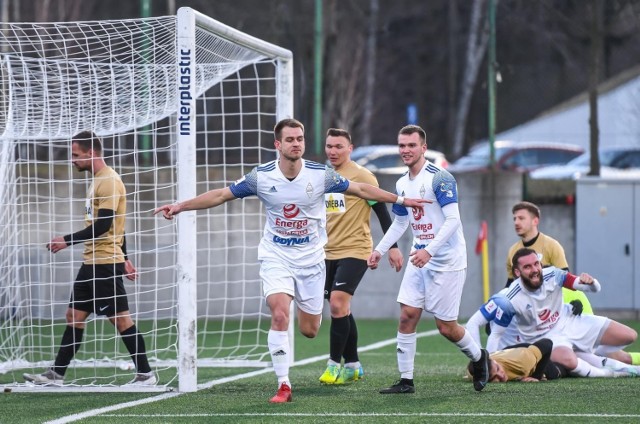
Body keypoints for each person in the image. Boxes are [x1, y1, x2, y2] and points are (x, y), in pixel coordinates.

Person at [154, 118, 427, 403]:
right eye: (290, 139)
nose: (296, 143)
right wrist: (180, 206)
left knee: (309, 330)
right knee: (280, 313)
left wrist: (402, 200)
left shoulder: (320, 175)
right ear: (278, 145)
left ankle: (331, 344)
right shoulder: (261, 177)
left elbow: (361, 190)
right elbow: (222, 195)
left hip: (311, 260)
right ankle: (284, 385)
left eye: (300, 139)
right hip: (276, 256)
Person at [23, 131, 155, 386]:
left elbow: (105, 225)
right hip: (93, 262)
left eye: (75, 154)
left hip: (104, 263)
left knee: (121, 320)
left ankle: (145, 374)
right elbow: (118, 226)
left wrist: (66, 240)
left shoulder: (109, 180)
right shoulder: (97, 180)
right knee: (74, 316)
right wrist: (125, 257)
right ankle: (56, 374)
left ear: (91, 153)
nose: (72, 160)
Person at [367, 125, 490, 394]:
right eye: (402, 145)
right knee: (407, 315)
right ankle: (406, 381)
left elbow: (453, 221)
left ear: (423, 148)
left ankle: (480, 359)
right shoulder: (401, 183)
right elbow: (400, 223)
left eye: (411, 145)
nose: (405, 150)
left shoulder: (440, 178)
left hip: (445, 261)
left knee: (446, 328)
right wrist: (380, 249)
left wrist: (429, 251)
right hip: (418, 257)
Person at [506, 201, 640, 366]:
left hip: (569, 306)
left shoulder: (551, 246)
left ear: (535, 221)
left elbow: (565, 280)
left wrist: (573, 303)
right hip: (544, 321)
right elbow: (511, 286)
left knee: (608, 354)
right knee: (584, 359)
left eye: (521, 218)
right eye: (514, 219)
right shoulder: (513, 251)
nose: (516, 222)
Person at [320, 128, 404, 385]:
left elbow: (381, 210)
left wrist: (392, 246)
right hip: (326, 252)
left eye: (338, 146)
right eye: (329, 146)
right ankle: (354, 364)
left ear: (350, 148)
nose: (333, 151)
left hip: (356, 250)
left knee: (336, 303)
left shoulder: (362, 175)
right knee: (341, 309)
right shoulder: (323, 176)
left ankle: (333, 365)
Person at [488, 247, 639, 378]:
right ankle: (606, 372)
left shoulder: (553, 275)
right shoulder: (510, 298)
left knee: (629, 336)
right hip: (547, 338)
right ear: (517, 272)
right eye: (527, 267)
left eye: (536, 264)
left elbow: (592, 289)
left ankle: (592, 350)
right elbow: (495, 333)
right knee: (570, 360)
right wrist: (488, 363)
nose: (534, 270)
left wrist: (592, 283)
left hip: (569, 322)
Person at [467, 338, 561, 382]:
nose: (501, 375)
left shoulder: (523, 362)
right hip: (509, 351)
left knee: (557, 372)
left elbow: (547, 343)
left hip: (524, 354)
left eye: (498, 369)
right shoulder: (475, 371)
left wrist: (536, 376)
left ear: (495, 362)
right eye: (494, 377)